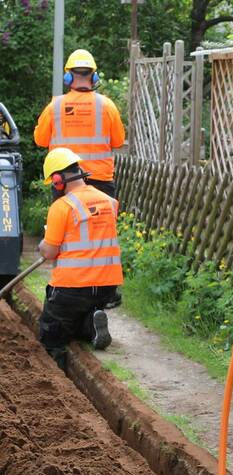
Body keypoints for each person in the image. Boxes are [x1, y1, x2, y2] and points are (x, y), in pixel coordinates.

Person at [38, 148, 123, 372]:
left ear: (58, 180)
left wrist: (43, 243)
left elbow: (49, 252)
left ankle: (58, 380)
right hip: (107, 287)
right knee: (74, 320)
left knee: (52, 334)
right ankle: (91, 325)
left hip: (71, 289)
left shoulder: (61, 207)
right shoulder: (109, 202)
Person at [34, 49, 125, 199]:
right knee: (101, 222)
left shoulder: (54, 107)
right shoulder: (107, 106)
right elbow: (119, 141)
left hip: (65, 181)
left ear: (68, 76)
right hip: (100, 181)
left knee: (65, 221)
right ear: (94, 76)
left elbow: (40, 140)